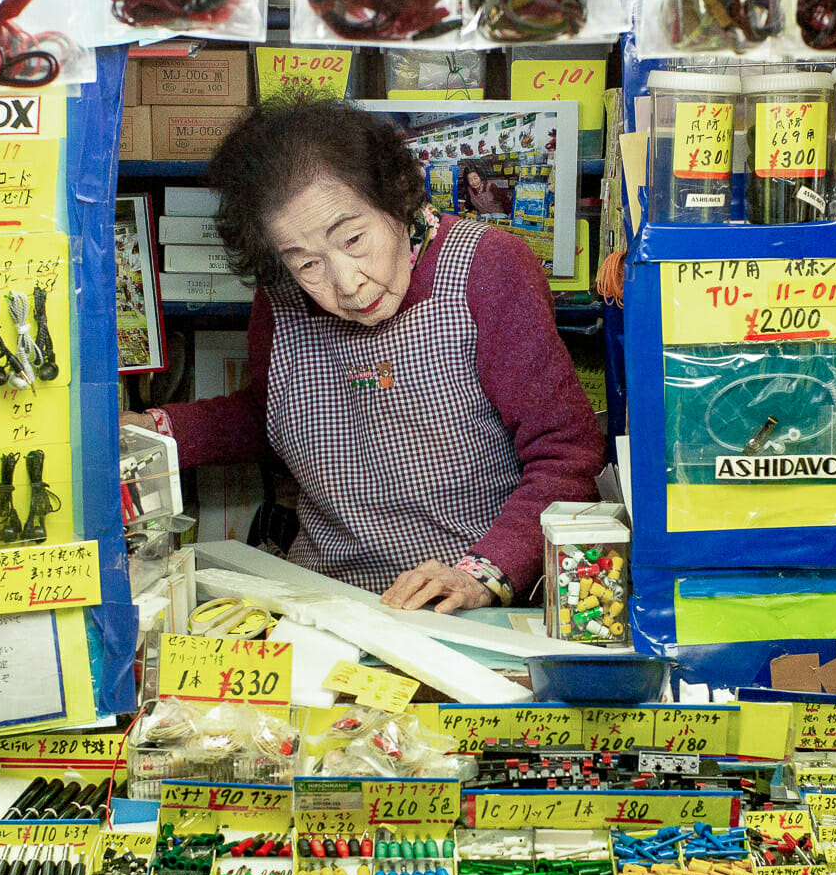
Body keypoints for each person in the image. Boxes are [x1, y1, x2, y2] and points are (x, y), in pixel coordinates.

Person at [125, 97, 603, 614]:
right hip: (329, 599)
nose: (346, 283)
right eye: (308, 264)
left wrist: (484, 574)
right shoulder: (283, 298)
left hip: (471, 602)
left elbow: (566, 455)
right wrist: (156, 431)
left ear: (395, 198)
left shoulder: (488, 268)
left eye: (354, 239)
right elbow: (273, 413)